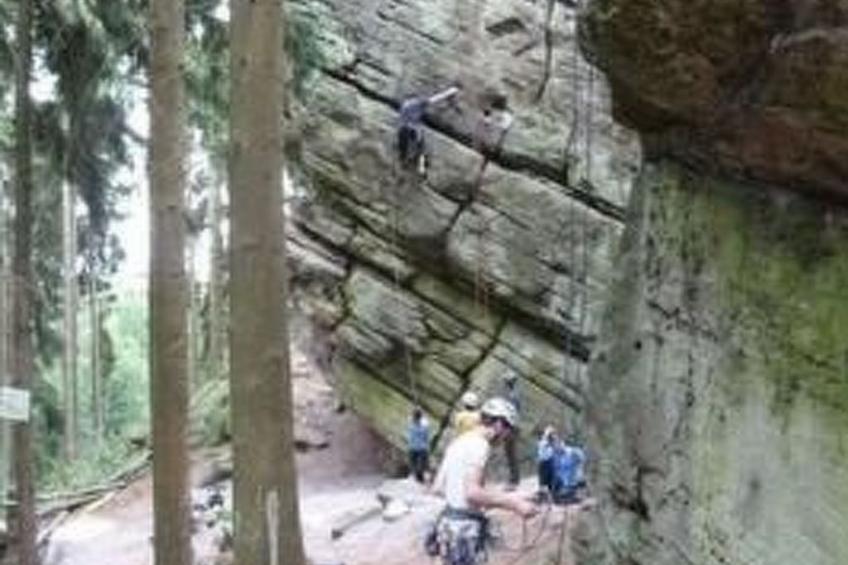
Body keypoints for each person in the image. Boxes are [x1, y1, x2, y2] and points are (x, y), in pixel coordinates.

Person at [428, 397, 537, 564]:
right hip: (464, 534)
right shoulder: (480, 446)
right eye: (509, 430)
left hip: (448, 528)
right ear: (499, 424)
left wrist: (518, 496)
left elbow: (438, 488)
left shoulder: (459, 442)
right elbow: (472, 493)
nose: (506, 437)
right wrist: (515, 505)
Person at [397, 84, 461, 174]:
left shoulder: (404, 104)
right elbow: (435, 99)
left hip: (402, 129)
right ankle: (421, 169)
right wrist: (450, 92)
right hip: (413, 129)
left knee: (403, 150)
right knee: (421, 149)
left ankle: (403, 163)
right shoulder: (418, 102)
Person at [502, 374, 521, 488]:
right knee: (511, 454)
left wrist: (506, 427)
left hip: (511, 427)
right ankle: (514, 479)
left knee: (510, 454)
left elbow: (511, 413)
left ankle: (513, 481)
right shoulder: (514, 394)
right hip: (513, 427)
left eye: (506, 381)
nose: (505, 383)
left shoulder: (512, 395)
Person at [408, 407, 431, 483]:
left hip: (413, 448)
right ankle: (420, 478)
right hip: (422, 448)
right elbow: (426, 437)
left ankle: (417, 477)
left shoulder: (411, 425)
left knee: (414, 466)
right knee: (421, 467)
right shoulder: (425, 426)